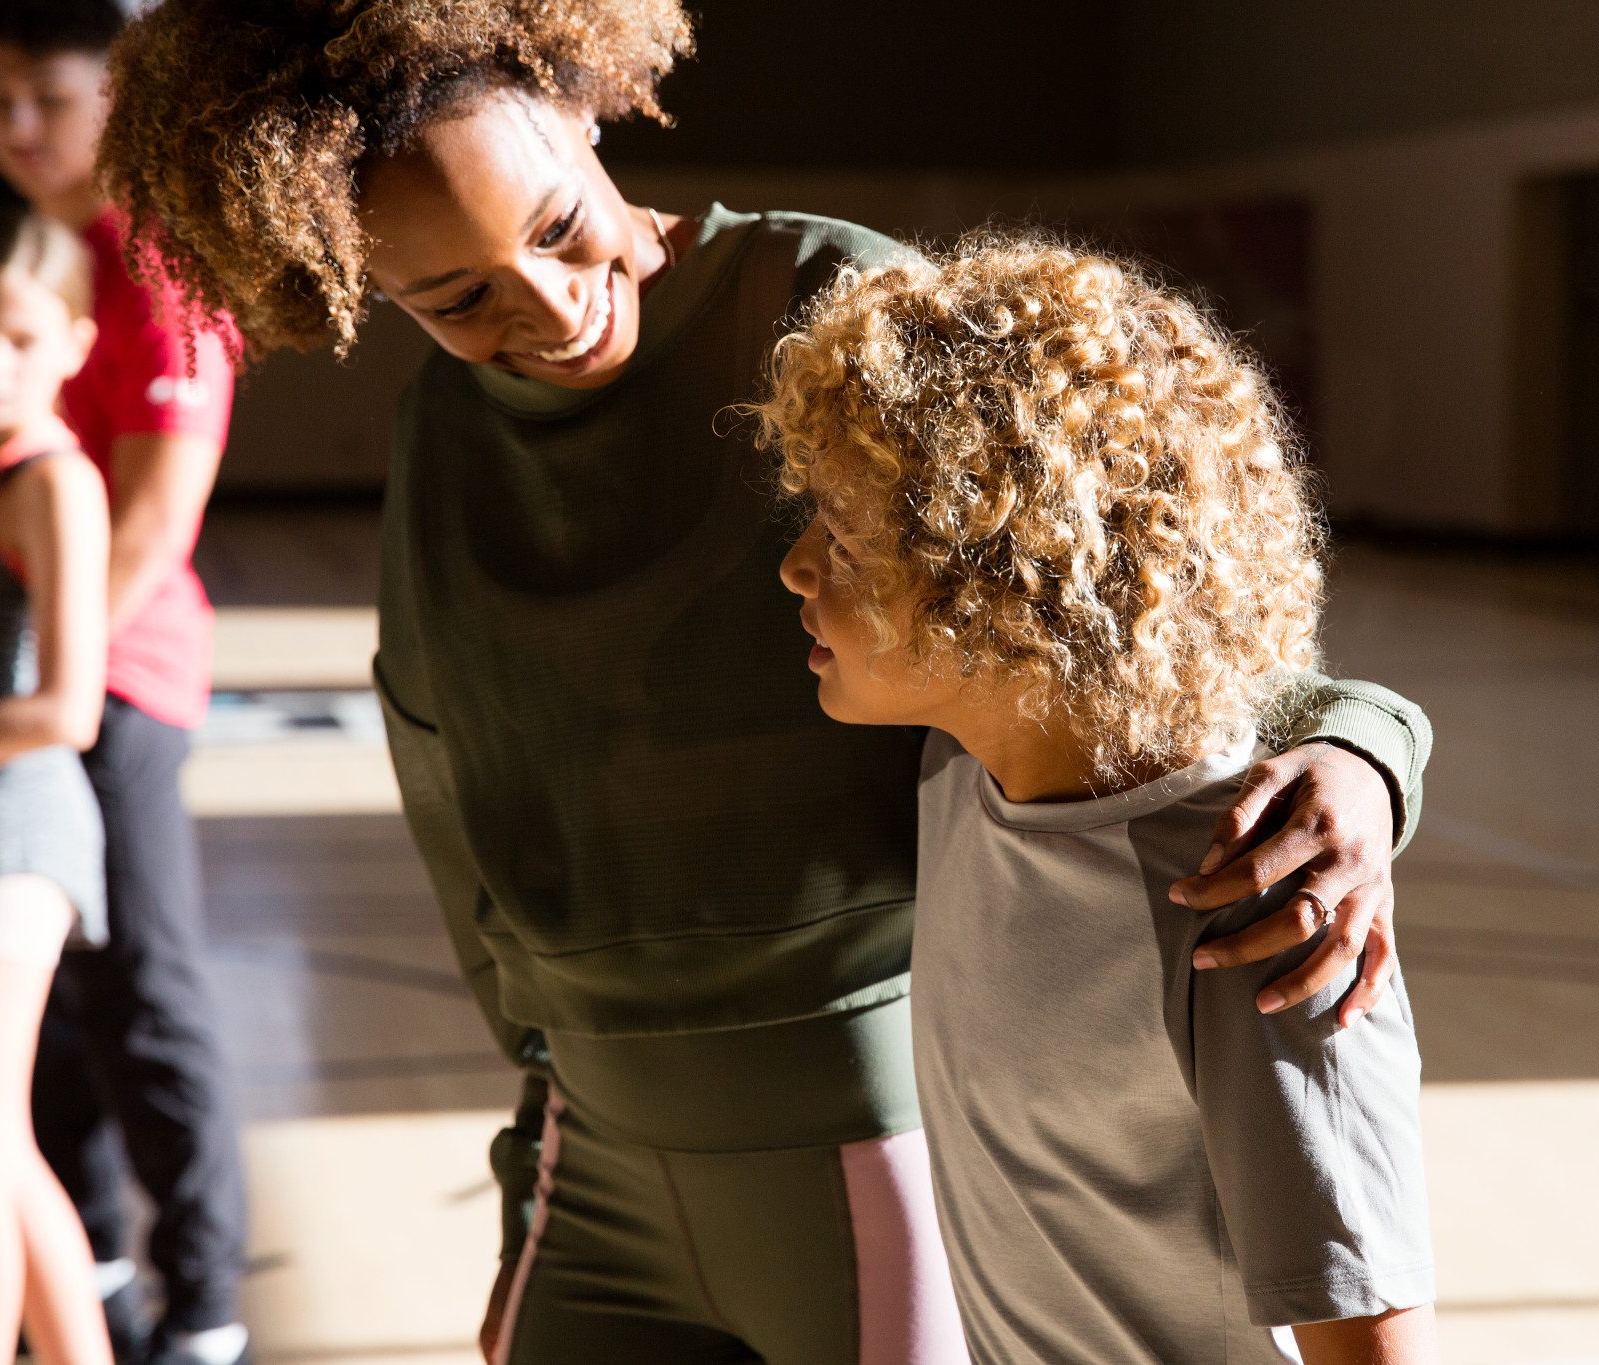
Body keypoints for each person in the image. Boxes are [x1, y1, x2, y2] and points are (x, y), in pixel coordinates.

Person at [97, 3, 1434, 1359]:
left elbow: (1121, 570)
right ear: (357, 281)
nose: (552, 305)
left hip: (856, 1126)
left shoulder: (827, 294)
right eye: (456, 300)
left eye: (561, 228)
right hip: (595, 1148)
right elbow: (478, 847)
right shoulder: (439, 439)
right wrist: (531, 1172)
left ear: (582, 106)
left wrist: (1362, 749)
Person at [763, 234, 1439, 1362]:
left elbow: (1371, 1346)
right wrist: (1371, 738)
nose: (793, 567)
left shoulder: (1253, 895)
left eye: (838, 535)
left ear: (1000, 577)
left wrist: (1365, 756)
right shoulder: (956, 771)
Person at [0, 3, 251, 1361]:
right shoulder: (20, 256)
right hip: (6, 698)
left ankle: (205, 1309)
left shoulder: (157, 265)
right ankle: (90, 1284)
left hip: (111, 680)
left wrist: (44, 688)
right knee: (43, 1024)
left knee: (143, 993)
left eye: (48, 99)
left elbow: (151, 520)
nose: (17, 126)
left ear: (117, 97)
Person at [0, 207, 115, 1365]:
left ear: (74, 346)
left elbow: (67, 709)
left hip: (16, 836)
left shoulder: (53, 482)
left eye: (17, 338)